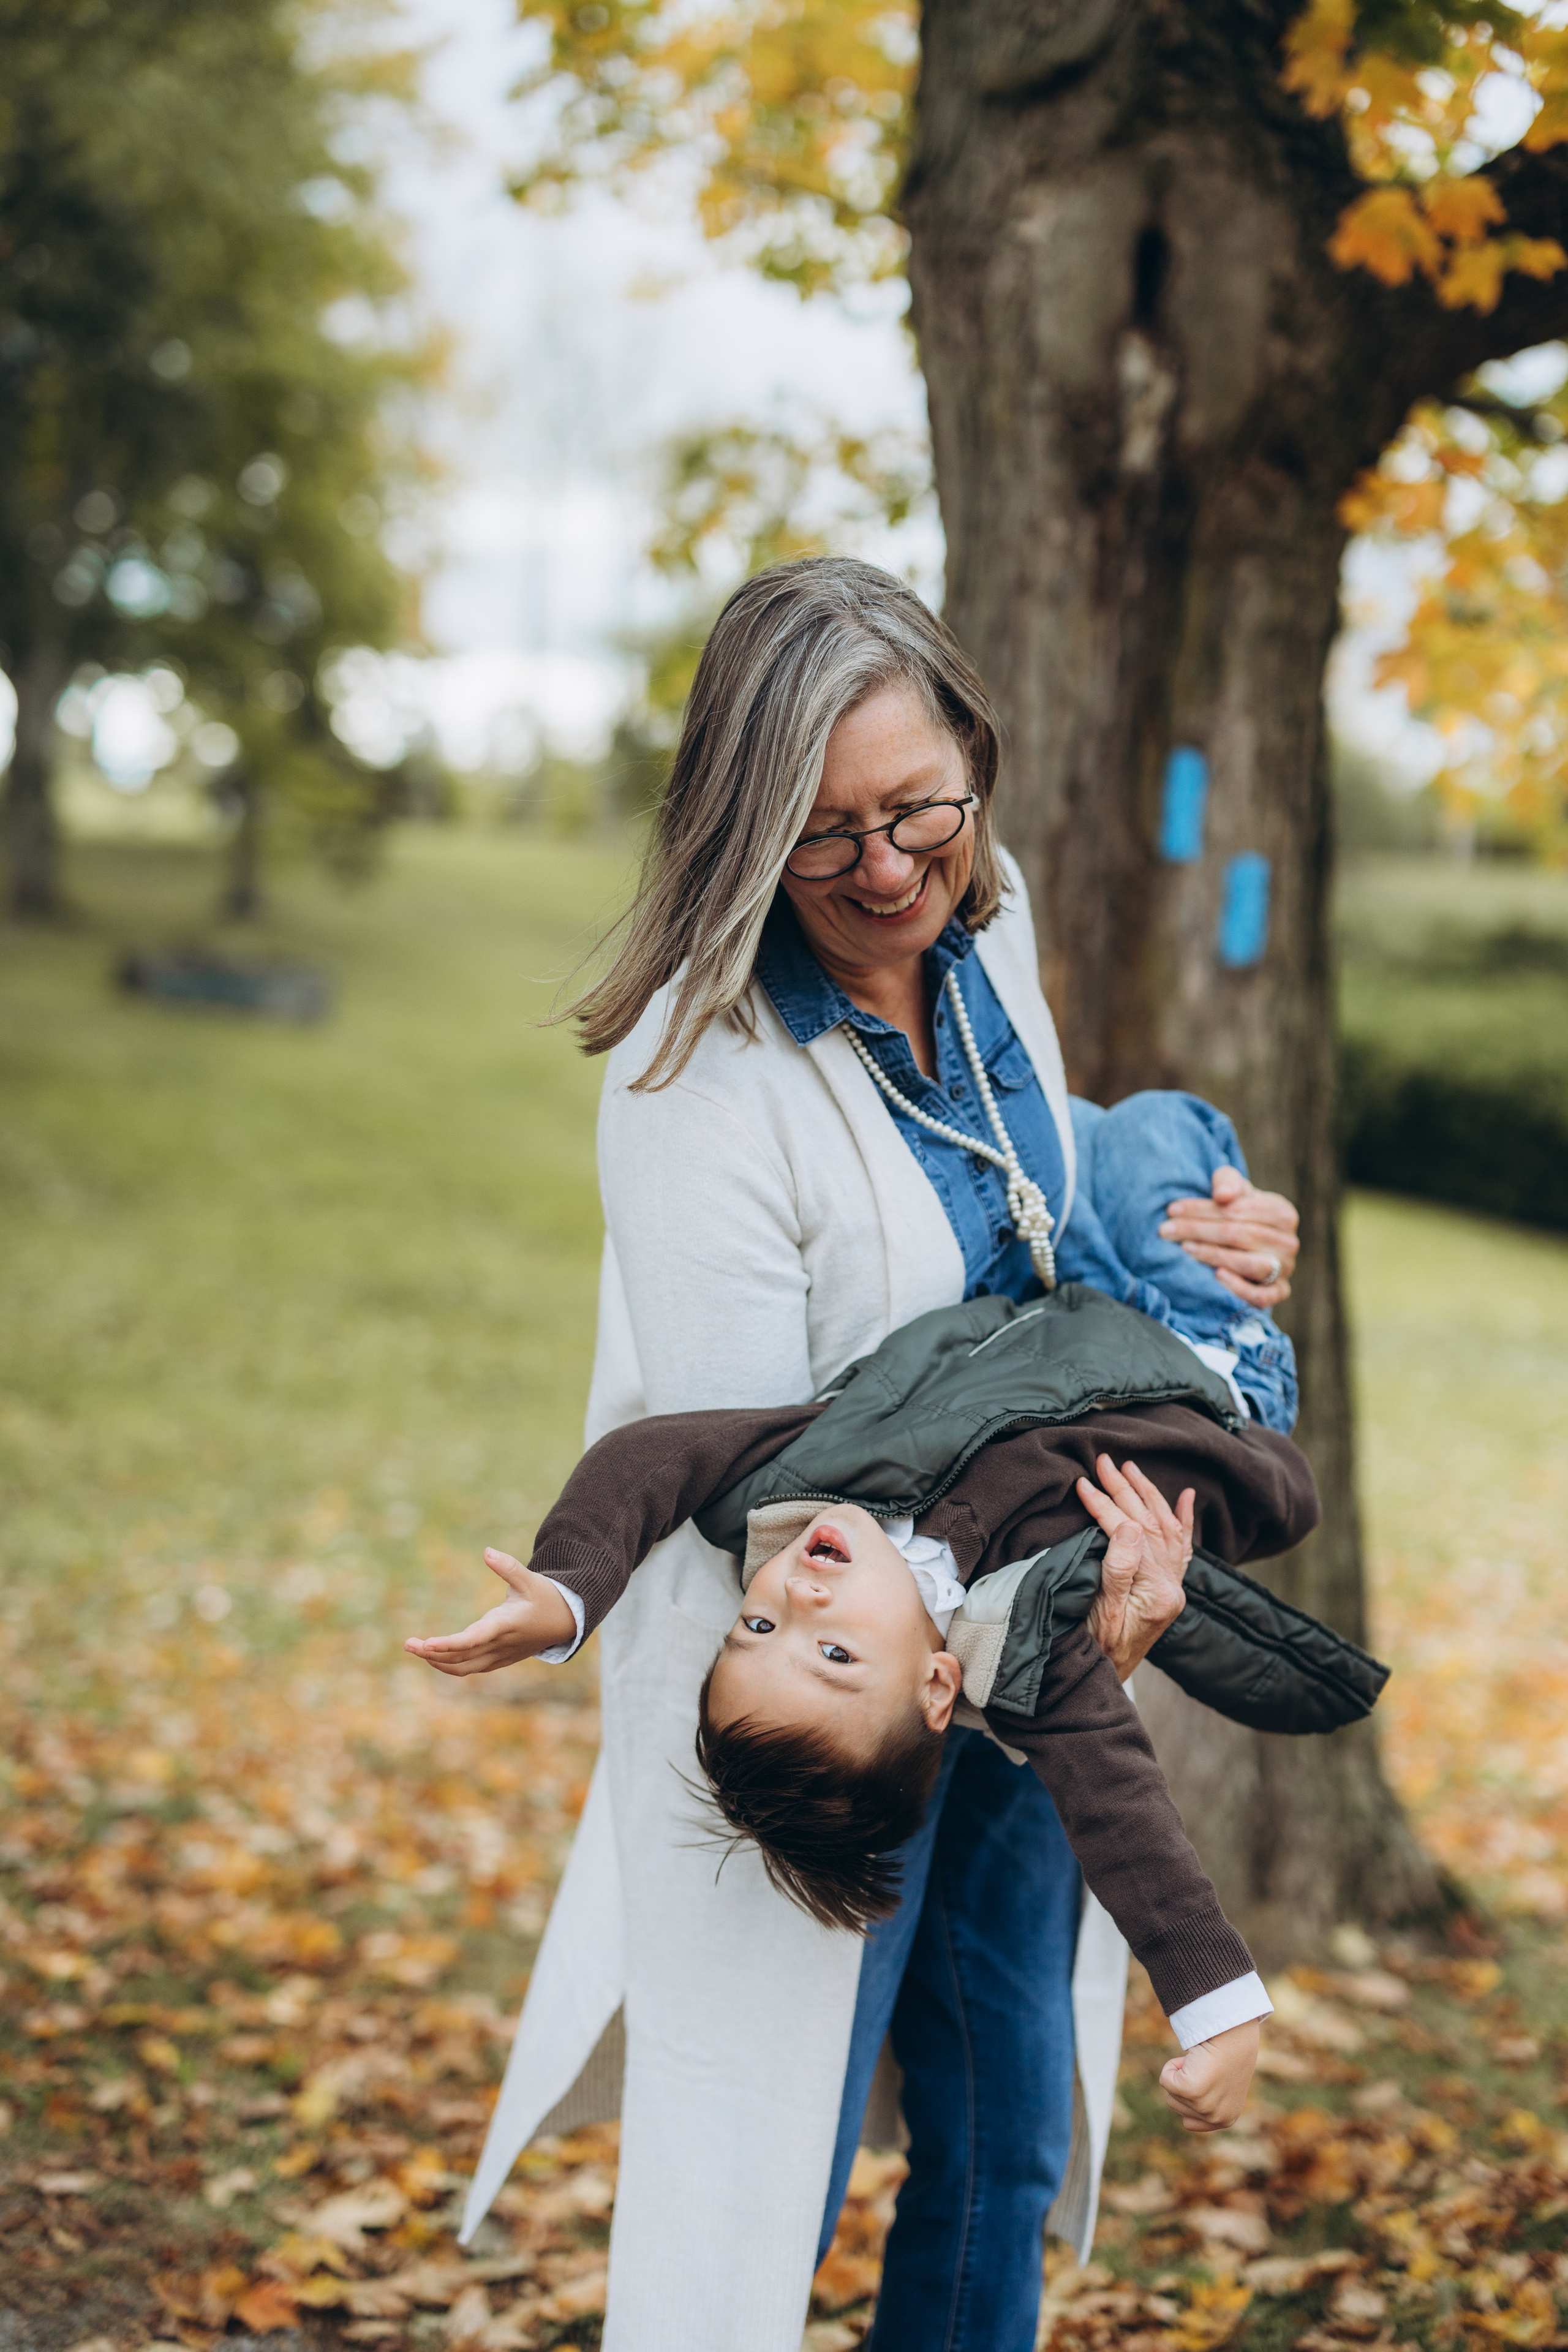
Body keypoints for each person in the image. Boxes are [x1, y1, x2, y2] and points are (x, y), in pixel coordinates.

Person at [448, 557, 1303, 2352]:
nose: (893, 873)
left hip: (1032, 1626)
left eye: (923, 809)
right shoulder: (698, 1080)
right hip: (828, 1682)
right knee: (775, 2162)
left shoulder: (994, 928)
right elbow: (778, 1492)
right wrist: (1019, 1632)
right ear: (742, 833)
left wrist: (1196, 1231)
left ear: (974, 769)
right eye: (827, 839)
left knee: (1001, 2142)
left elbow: (1009, 1151)